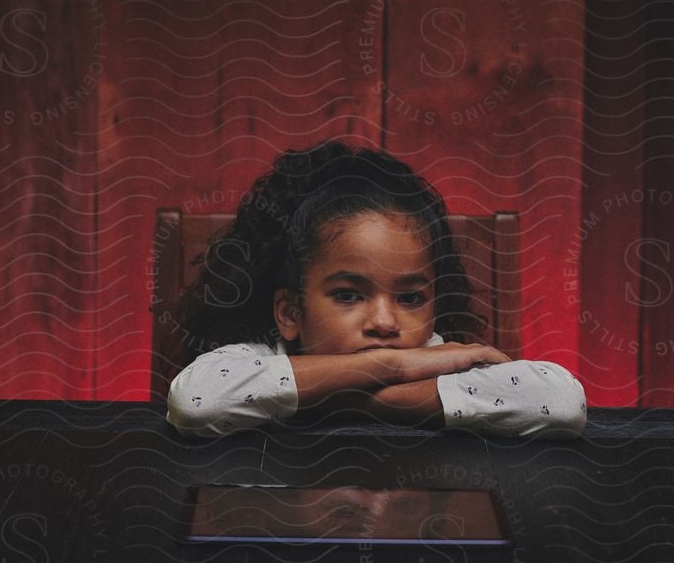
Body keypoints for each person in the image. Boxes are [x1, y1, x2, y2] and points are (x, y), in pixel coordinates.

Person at [163, 140, 587, 439]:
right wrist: (393, 369)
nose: (385, 323)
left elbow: (562, 401)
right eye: (348, 294)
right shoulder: (259, 360)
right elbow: (195, 402)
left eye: (410, 298)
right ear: (291, 314)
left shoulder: (440, 357)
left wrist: (352, 396)